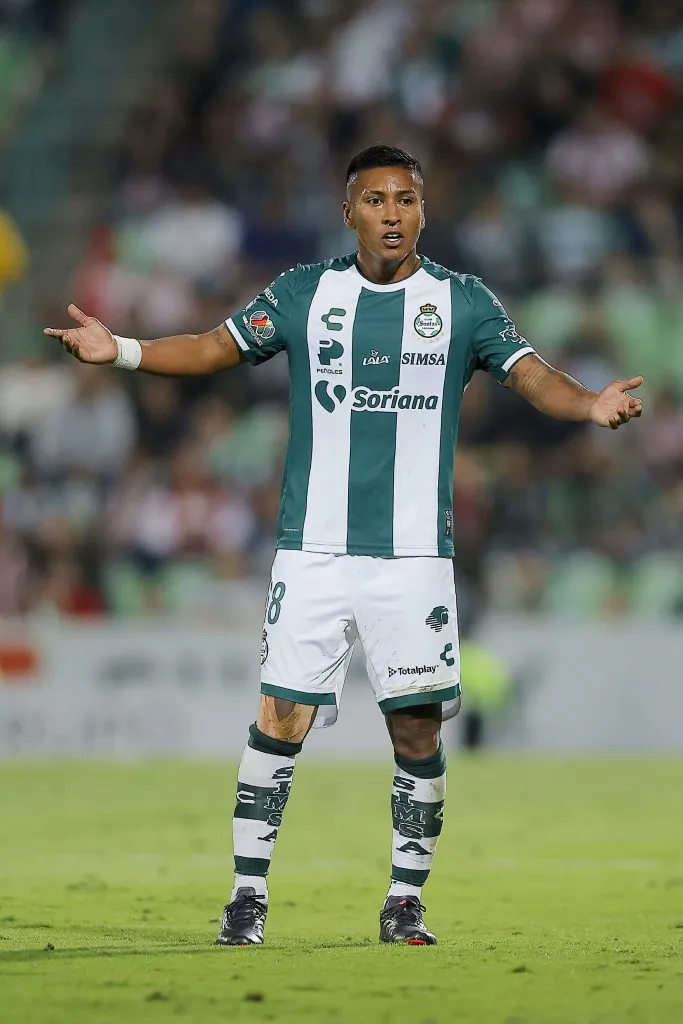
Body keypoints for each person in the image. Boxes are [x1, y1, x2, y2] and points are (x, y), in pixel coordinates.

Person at [45, 145, 643, 947]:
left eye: (405, 199)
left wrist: (586, 404)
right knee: (279, 716)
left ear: (422, 211)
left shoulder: (461, 301)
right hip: (313, 551)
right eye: (375, 200)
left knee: (417, 731)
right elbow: (214, 346)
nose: (392, 213)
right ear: (348, 212)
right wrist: (119, 350)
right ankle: (247, 896)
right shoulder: (305, 292)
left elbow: (529, 373)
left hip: (411, 559)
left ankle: (404, 901)